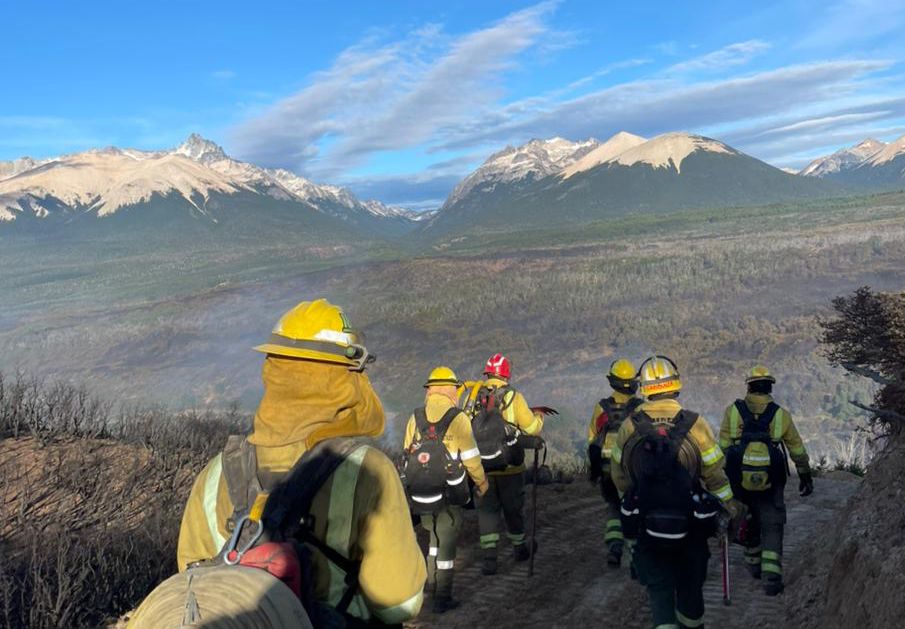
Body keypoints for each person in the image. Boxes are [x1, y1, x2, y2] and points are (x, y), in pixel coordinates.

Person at [176, 299, 426, 625]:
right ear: (345, 376)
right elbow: (400, 604)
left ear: (273, 370)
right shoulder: (367, 470)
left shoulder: (215, 473)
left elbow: (192, 583)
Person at [612, 355, 745, 629]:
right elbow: (715, 474)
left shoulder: (629, 425)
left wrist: (637, 504)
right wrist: (730, 507)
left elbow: (619, 476)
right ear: (675, 384)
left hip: (648, 528)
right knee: (690, 589)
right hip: (691, 529)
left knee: (659, 591)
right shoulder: (696, 424)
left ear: (644, 387)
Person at [719, 365, 813, 596]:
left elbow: (723, 447)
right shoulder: (781, 415)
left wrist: (720, 479)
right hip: (772, 479)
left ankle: (754, 565)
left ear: (749, 387)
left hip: (738, 478)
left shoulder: (733, 411)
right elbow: (796, 449)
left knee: (746, 518)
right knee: (772, 524)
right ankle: (771, 578)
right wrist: (804, 474)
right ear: (770, 387)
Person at [402, 367, 489, 613]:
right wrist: (482, 483)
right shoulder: (458, 418)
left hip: (422, 491)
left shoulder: (415, 417)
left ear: (430, 390)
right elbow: (471, 458)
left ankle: (431, 583)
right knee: (447, 544)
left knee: (432, 538)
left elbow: (407, 454)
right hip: (449, 493)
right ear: (452, 390)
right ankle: (443, 595)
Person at [468, 353, 544, 576]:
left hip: (483, 467)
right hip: (510, 467)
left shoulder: (474, 396)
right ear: (506, 375)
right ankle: (519, 549)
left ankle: (489, 559)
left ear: (488, 374)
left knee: (487, 512)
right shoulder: (514, 397)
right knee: (513, 509)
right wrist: (539, 418)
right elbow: (531, 428)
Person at [587, 358, 643, 568]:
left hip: (607, 469)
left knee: (614, 508)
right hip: (633, 470)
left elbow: (592, 441)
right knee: (634, 508)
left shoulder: (601, 408)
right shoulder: (640, 408)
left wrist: (594, 471)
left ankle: (614, 548)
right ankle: (635, 553)